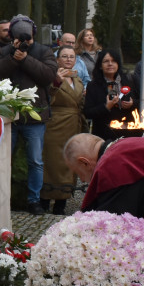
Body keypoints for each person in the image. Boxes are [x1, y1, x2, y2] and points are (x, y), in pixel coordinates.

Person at [63, 133, 144, 247]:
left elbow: (112, 220)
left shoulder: (112, 163)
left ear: (85, 162)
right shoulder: (122, 146)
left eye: (78, 173)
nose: (82, 179)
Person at [0, 15, 57, 215]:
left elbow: (48, 76)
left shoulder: (44, 51)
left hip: (35, 117)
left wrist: (26, 59)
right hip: (9, 115)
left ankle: (34, 200)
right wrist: (13, 57)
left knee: (35, 161)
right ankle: (2, 199)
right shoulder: (5, 51)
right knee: (3, 160)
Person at [40, 46, 85, 214]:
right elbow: (46, 99)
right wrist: (57, 82)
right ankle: (45, 199)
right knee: (52, 162)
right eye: (64, 56)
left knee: (69, 162)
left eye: (71, 57)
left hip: (73, 125)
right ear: (57, 59)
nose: (68, 59)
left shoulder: (77, 79)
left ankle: (62, 201)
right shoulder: (52, 77)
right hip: (55, 125)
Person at [83, 48, 138, 141]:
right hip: (103, 135)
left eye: (113, 61)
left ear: (118, 64)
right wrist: (106, 107)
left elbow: (142, 102)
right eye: (106, 61)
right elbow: (87, 113)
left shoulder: (129, 81)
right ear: (100, 65)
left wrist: (132, 104)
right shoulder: (93, 85)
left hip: (126, 133)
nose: (110, 64)